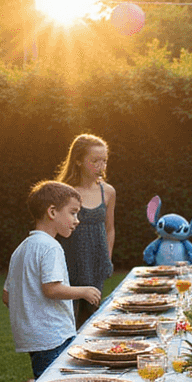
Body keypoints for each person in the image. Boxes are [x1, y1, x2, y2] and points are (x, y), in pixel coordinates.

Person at [2, 181, 102, 381]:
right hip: (53, 336)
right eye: (73, 212)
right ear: (52, 212)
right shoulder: (51, 247)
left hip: (34, 339)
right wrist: (84, 291)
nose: (77, 220)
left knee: (46, 379)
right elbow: (52, 289)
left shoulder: (22, 248)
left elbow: (6, 296)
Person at [55, 133, 116, 326]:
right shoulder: (63, 192)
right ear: (79, 161)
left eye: (104, 161)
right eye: (95, 161)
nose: (101, 166)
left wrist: (107, 259)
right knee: (67, 321)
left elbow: (109, 229)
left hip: (95, 265)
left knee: (91, 323)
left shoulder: (108, 191)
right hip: (69, 264)